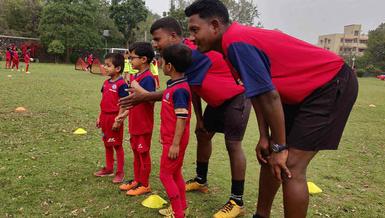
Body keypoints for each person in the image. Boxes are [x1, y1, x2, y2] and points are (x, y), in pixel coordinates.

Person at [184, 1, 359, 218]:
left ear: (214, 25)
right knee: (269, 157)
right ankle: (261, 215)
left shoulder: (236, 42)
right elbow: (258, 93)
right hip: (301, 92)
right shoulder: (230, 46)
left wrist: (280, 146)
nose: (190, 38)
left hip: (329, 84)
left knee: (290, 167)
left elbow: (270, 96)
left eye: (194, 30)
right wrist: (265, 137)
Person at [121, 17, 251, 217]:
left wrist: (146, 96)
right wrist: (199, 118)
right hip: (214, 100)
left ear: (173, 36)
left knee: (233, 145)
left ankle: (237, 201)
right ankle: (200, 180)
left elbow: (180, 91)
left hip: (235, 96)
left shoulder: (191, 53)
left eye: (157, 39)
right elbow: (193, 89)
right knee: (203, 135)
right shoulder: (180, 58)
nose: (154, 44)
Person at [157, 44, 192, 218]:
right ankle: (182, 206)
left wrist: (175, 144)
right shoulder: (174, 86)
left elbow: (181, 118)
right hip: (170, 139)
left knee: (165, 175)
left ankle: (178, 213)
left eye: (162, 62)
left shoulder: (179, 90)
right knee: (175, 172)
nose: (160, 65)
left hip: (174, 142)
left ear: (169, 66)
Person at [119, 42, 156, 196]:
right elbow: (134, 100)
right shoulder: (136, 76)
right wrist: (125, 113)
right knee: (135, 152)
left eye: (132, 58)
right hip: (134, 123)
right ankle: (137, 180)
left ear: (143, 59)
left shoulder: (148, 78)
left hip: (144, 125)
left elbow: (151, 99)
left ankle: (145, 184)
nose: (130, 61)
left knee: (143, 153)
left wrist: (136, 85)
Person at [94, 53, 129, 184]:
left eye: (108, 65)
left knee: (117, 145)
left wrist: (118, 120)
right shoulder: (105, 83)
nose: (105, 67)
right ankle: (109, 168)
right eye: (105, 64)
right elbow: (103, 101)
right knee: (107, 143)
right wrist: (99, 117)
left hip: (114, 118)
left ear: (118, 68)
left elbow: (124, 103)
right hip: (104, 118)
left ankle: (120, 172)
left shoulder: (122, 84)